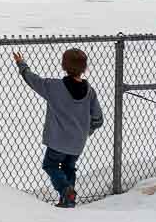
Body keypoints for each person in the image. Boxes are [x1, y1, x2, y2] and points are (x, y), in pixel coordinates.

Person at [13, 47, 105, 208]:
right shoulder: (90, 92)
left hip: (57, 141)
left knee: (50, 165)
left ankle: (65, 190)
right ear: (85, 68)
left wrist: (22, 65)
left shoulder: (53, 87)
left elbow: (32, 80)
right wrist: (85, 132)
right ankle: (68, 200)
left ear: (63, 65)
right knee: (69, 167)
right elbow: (98, 119)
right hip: (77, 143)